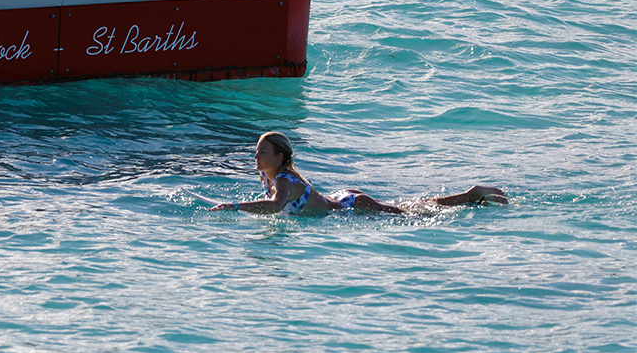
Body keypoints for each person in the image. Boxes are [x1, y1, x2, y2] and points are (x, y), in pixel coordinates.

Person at [208, 131, 507, 214]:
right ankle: (469, 196)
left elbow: (275, 207)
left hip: (351, 206)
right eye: (256, 151)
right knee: (409, 207)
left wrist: (233, 206)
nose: (256, 156)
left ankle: (470, 195)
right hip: (341, 198)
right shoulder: (269, 176)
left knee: (414, 214)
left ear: (280, 157)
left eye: (262, 152)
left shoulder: (284, 180)